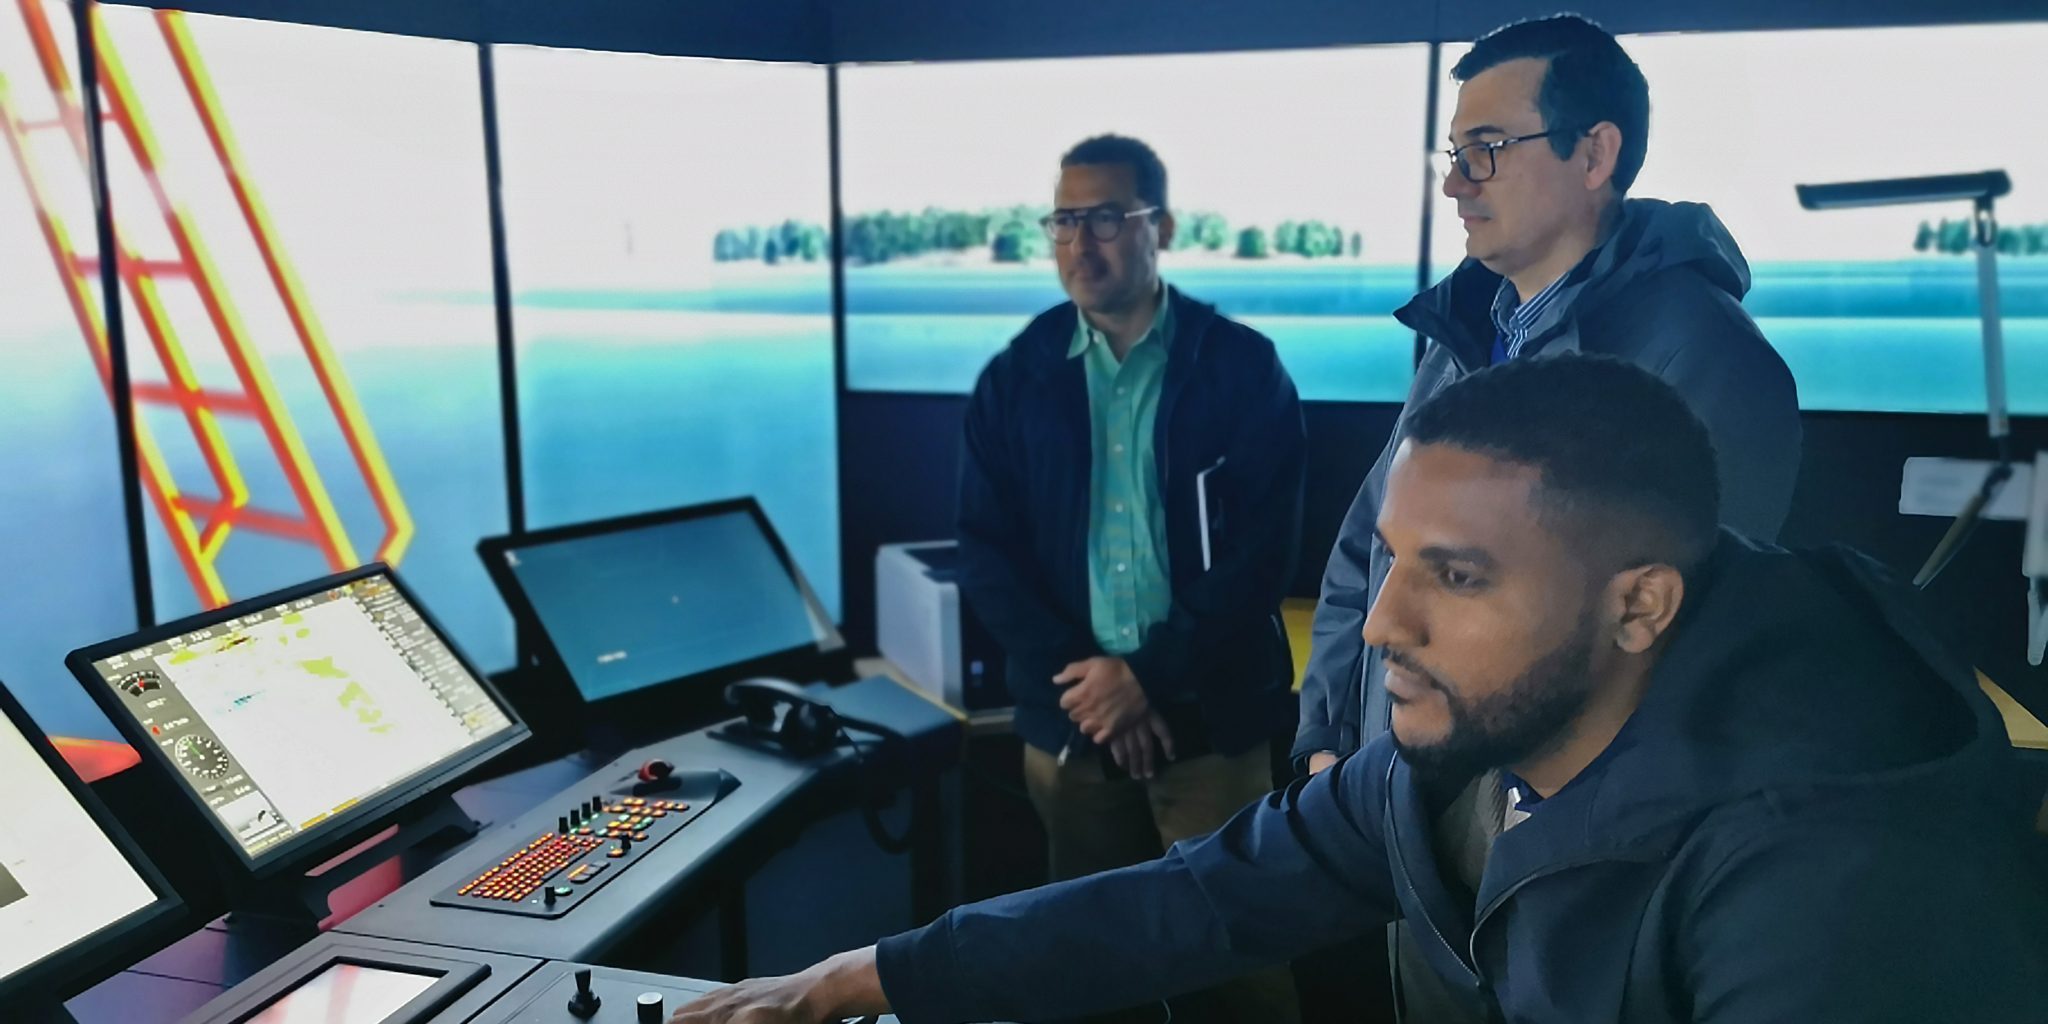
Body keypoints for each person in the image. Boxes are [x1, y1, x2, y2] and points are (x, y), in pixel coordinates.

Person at [671, 355, 2047, 1024]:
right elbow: (1207, 896)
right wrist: (867, 976)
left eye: (1454, 577)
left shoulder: (1845, 879)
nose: (1381, 626)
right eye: (1388, 562)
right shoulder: (1475, 728)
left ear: (1638, 605)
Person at [1292, 19, 1802, 1013]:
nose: (1454, 184)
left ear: (1594, 154)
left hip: (1550, 865)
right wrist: (1327, 735)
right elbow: (1366, 550)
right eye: (1452, 154)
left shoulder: (1704, 361)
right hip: (1406, 814)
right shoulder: (1466, 336)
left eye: (1486, 149)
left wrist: (1510, 825)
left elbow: (1669, 656)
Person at [954, 134, 1305, 1021]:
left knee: (1238, 961)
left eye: (1107, 217)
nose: (1082, 241)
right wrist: (1093, 686)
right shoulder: (1015, 377)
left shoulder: (1241, 368)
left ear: (1163, 226)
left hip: (1213, 722)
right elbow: (985, 553)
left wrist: (1145, 676)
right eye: (1065, 219)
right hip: (1074, 729)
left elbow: (1264, 555)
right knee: (1080, 968)